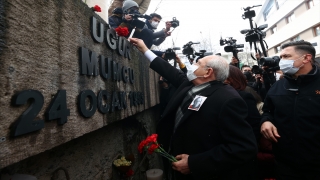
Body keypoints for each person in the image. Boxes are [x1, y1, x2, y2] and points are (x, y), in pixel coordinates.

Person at [129, 37, 257, 180]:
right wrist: (144, 49)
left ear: (208, 72)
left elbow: (243, 147)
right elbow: (168, 70)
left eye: (198, 63)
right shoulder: (190, 84)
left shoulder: (228, 99)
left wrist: (194, 163)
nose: (192, 65)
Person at [260, 40, 320, 180]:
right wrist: (266, 121)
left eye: (286, 57)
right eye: (281, 57)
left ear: (306, 58)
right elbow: (267, 111)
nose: (281, 61)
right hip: (285, 164)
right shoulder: (278, 86)